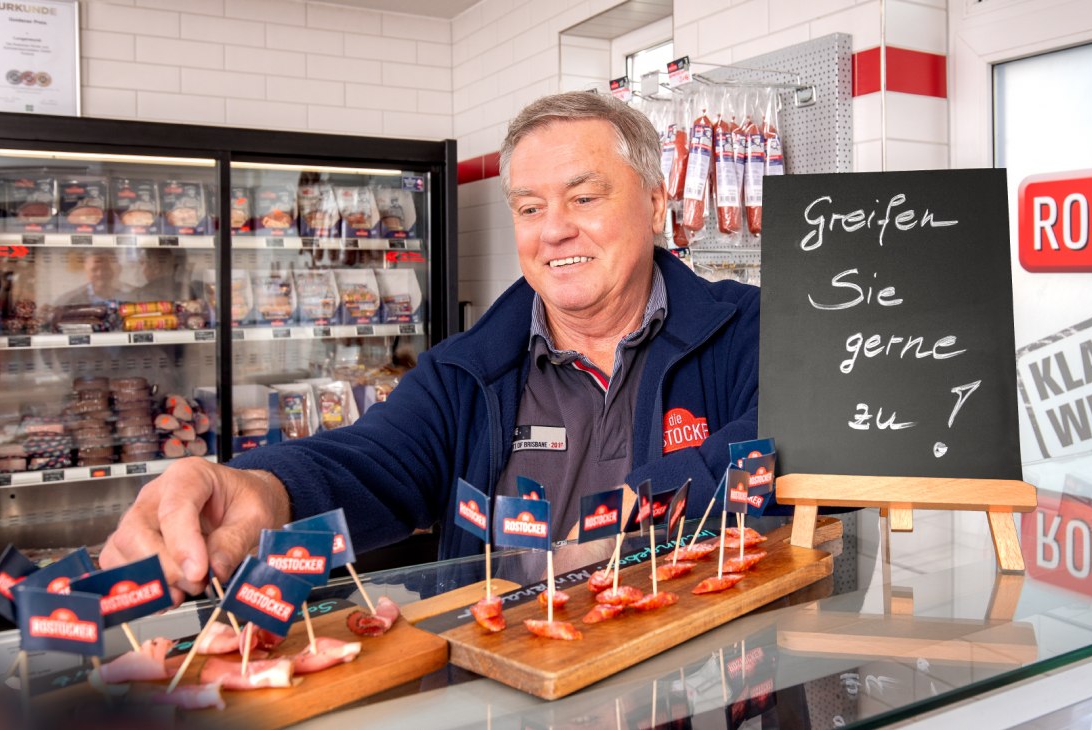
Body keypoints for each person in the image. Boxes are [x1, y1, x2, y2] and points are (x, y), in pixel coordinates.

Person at [100, 91, 761, 603]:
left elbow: (786, 446)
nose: (553, 230)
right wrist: (260, 489)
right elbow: (368, 462)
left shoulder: (749, 329)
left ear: (654, 205)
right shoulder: (465, 372)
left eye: (583, 198)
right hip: (511, 696)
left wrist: (628, 523)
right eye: (529, 209)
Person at [52, 249, 125, 306]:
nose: (100, 274)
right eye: (94, 270)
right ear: (86, 270)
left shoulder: (132, 295)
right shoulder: (67, 301)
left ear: (118, 269)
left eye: (105, 268)